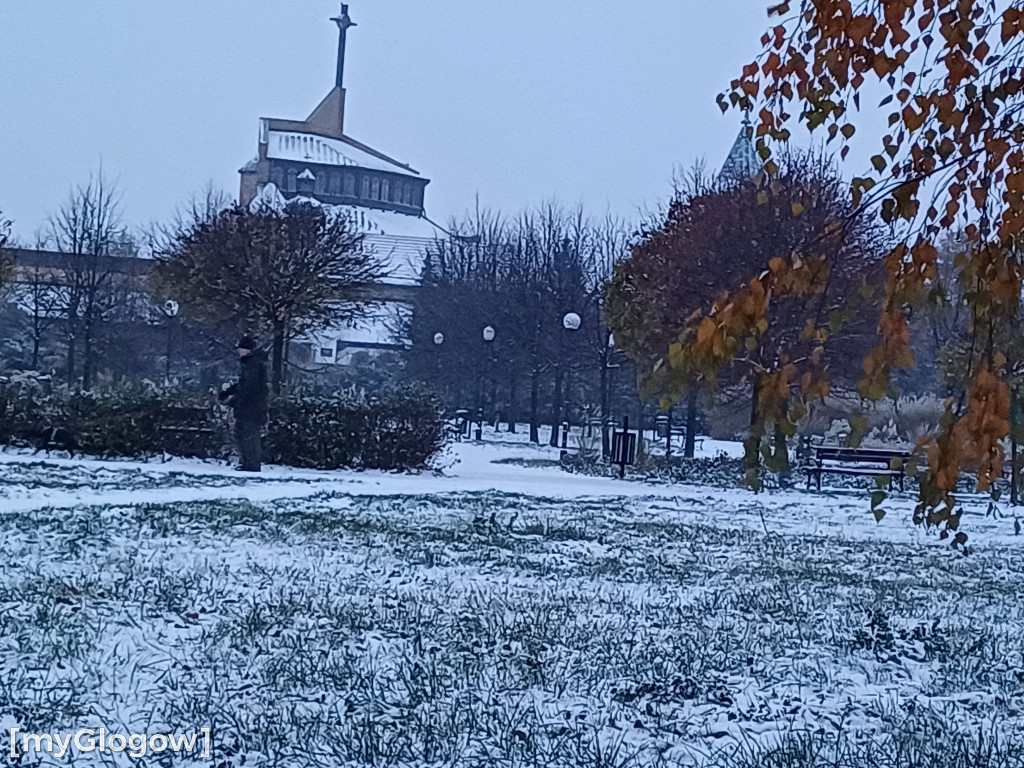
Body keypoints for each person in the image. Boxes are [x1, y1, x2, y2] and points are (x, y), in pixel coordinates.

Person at [219, 335, 268, 472]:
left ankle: (251, 465)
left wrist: (232, 399)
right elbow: (243, 385)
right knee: (243, 434)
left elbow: (248, 387)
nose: (239, 351)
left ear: (247, 350)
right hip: (250, 407)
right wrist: (230, 392)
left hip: (251, 408)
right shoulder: (251, 363)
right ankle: (248, 463)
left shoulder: (253, 364)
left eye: (241, 349)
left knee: (248, 435)